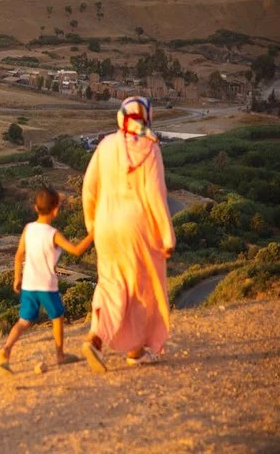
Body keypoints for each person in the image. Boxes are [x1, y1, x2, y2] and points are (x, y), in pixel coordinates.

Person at [81, 97, 175, 373]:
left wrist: (92, 224)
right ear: (147, 117)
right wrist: (168, 236)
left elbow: (89, 187)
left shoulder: (106, 145)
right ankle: (136, 351)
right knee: (141, 289)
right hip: (138, 228)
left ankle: (95, 339)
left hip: (106, 225)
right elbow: (155, 195)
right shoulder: (150, 148)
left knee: (110, 283)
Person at [0, 188, 93, 369]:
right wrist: (92, 234)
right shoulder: (53, 234)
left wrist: (16, 278)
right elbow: (76, 250)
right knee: (57, 317)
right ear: (56, 209)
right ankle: (60, 354)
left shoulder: (28, 229)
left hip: (29, 284)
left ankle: (6, 350)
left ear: (35, 207)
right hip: (47, 286)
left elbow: (19, 255)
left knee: (23, 321)